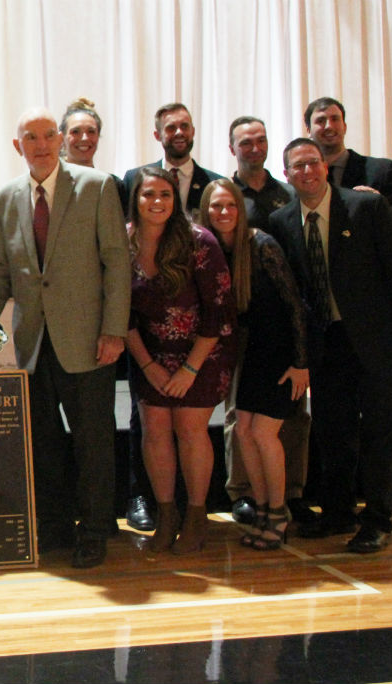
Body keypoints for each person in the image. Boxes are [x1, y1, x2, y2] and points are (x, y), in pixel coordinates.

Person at [0, 108, 129, 569]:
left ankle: (94, 530)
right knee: (43, 444)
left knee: (92, 443)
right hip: (31, 344)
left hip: (90, 340)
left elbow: (116, 262)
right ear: (18, 146)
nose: (40, 144)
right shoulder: (3, 198)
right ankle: (54, 526)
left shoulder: (96, 187)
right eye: (29, 137)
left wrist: (115, 330)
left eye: (48, 135)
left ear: (60, 140)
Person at [269, 138, 392, 554]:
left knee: (380, 431)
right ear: (286, 175)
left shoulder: (367, 207)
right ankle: (337, 514)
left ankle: (377, 520)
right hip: (327, 347)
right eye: (297, 167)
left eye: (313, 163)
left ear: (325, 166)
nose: (307, 172)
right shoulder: (282, 221)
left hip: (381, 342)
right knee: (333, 433)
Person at [125, 166, 235, 555]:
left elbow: (220, 311)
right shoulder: (123, 243)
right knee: (154, 432)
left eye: (165, 195)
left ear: (176, 200)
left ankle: (196, 515)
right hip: (148, 356)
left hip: (202, 354)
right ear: (135, 199)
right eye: (148, 194)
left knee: (190, 433)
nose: (157, 202)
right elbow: (120, 314)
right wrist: (148, 366)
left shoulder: (198, 241)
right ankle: (166, 515)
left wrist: (189, 369)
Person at [60, 97, 156, 534]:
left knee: (97, 430)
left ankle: (101, 519)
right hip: (52, 330)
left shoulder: (114, 186)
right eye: (75, 131)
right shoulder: (36, 185)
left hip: (101, 323)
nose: (83, 139)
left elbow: (118, 259)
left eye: (90, 132)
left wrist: (113, 326)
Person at [200, 179, 309, 550]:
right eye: (216, 206)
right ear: (206, 211)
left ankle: (279, 511)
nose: (224, 212)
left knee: (263, 433)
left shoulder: (261, 244)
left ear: (240, 208)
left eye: (230, 205)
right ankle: (263, 509)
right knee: (244, 432)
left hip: (280, 354)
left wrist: (301, 363)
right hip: (249, 354)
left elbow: (295, 305)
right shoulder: (211, 250)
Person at [223, 116, 313, 528]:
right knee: (241, 424)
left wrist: (301, 355)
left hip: (280, 333)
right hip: (242, 334)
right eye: (246, 141)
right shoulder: (225, 194)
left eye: (260, 140)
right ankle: (248, 495)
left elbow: (293, 297)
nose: (254, 147)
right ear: (232, 148)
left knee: (288, 420)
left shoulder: (288, 194)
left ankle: (287, 497)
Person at [303, 97, 392, 244]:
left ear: (344, 126)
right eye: (321, 121)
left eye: (335, 119)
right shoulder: (304, 179)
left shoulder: (382, 171)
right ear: (308, 130)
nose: (329, 126)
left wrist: (381, 205)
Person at [123, 103, 225, 217]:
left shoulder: (214, 183)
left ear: (193, 131)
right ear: (157, 135)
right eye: (171, 128)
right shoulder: (133, 180)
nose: (179, 132)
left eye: (184, 126)